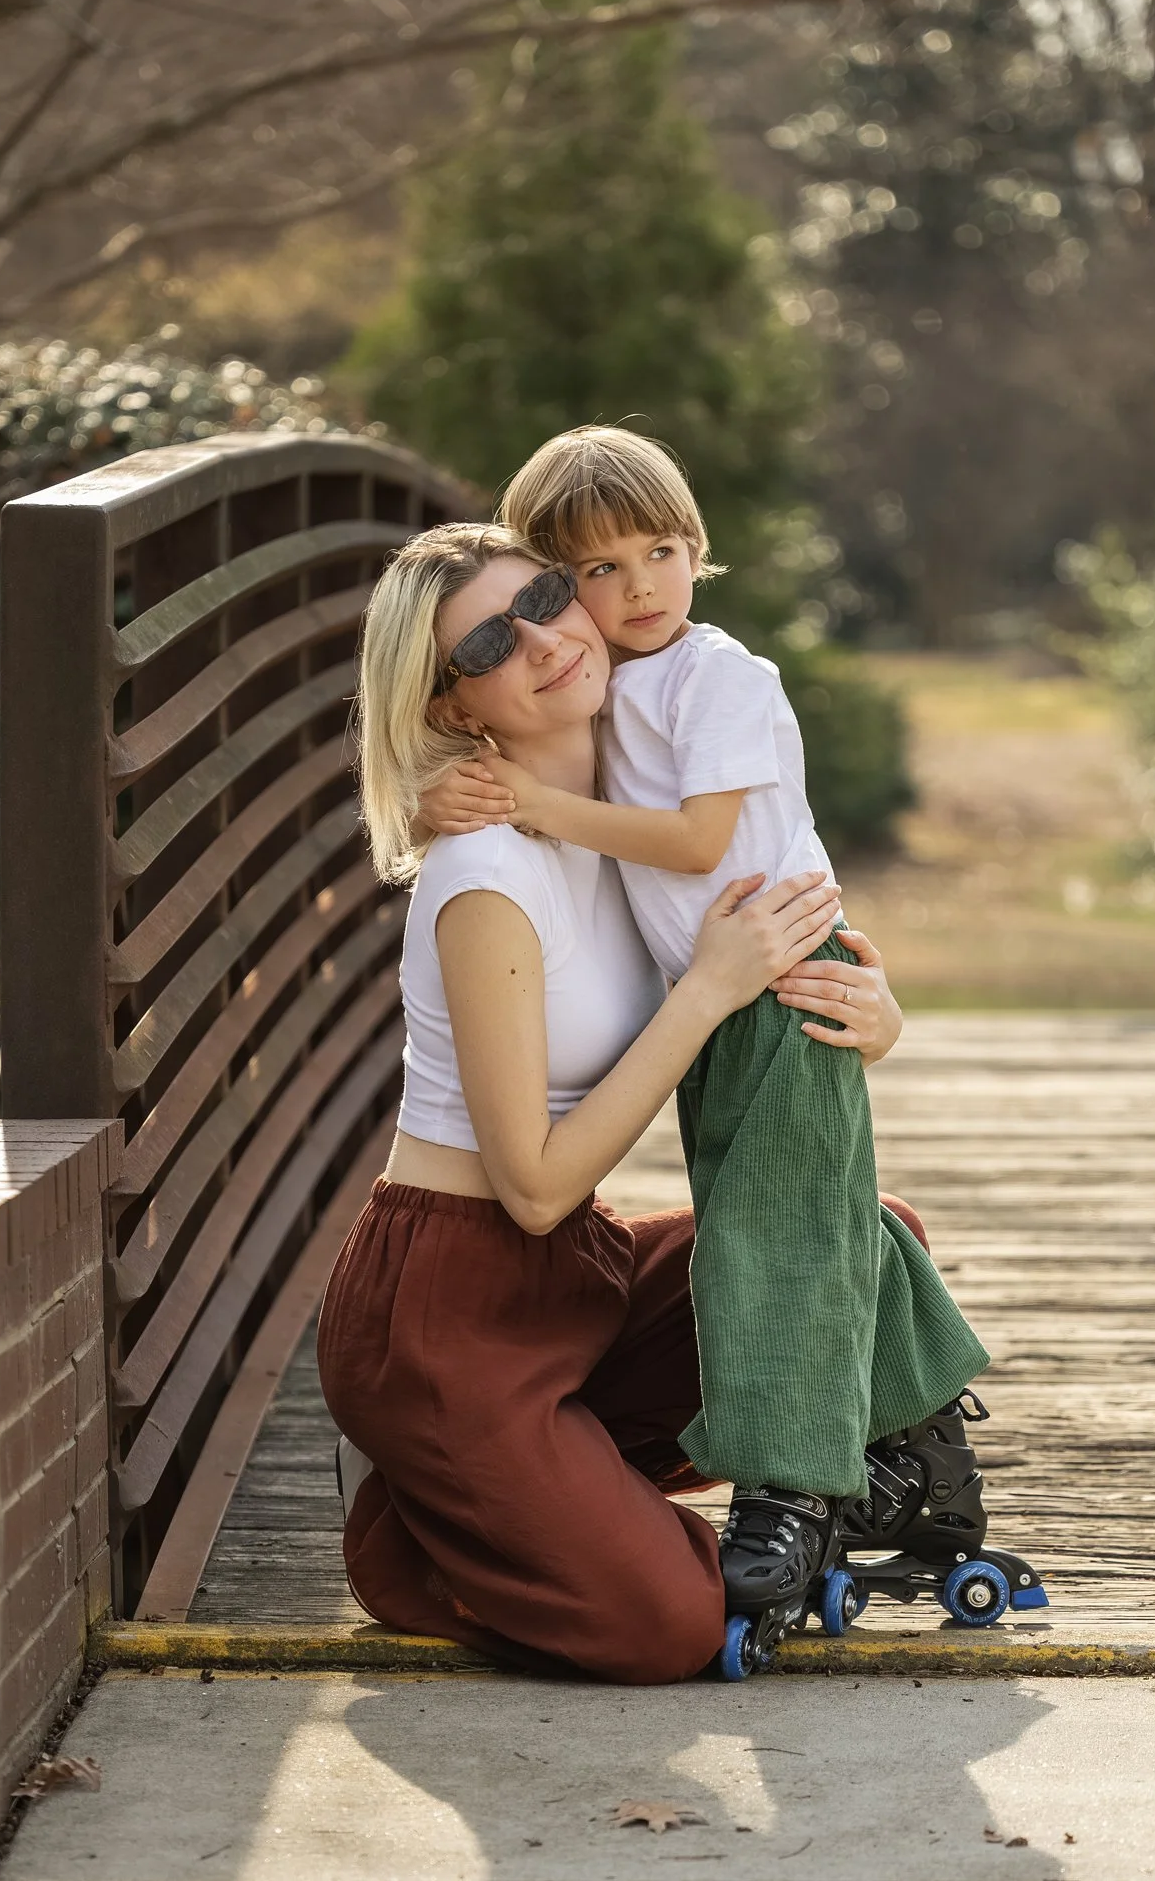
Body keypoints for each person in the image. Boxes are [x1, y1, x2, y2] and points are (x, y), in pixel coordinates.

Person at [418, 428, 998, 1657]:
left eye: (662, 556)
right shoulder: (609, 680)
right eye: (594, 572)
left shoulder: (721, 677)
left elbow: (696, 847)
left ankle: (791, 1489)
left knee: (775, 1235)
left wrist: (529, 800)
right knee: (792, 1219)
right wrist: (455, 790)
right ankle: (917, 1456)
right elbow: (525, 753)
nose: (632, 592)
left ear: (700, 553)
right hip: (734, 994)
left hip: (778, 985)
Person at [318, 519, 880, 1685]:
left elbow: (794, 941)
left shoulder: (639, 819)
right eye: (485, 643)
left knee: (872, 1251)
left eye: (546, 596)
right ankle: (420, 1539)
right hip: (446, 1321)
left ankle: (505, 1499)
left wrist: (873, 1012)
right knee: (668, 1626)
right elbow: (529, 1187)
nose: (541, 640)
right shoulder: (483, 877)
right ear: (452, 709)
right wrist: (711, 992)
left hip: (577, 1281)